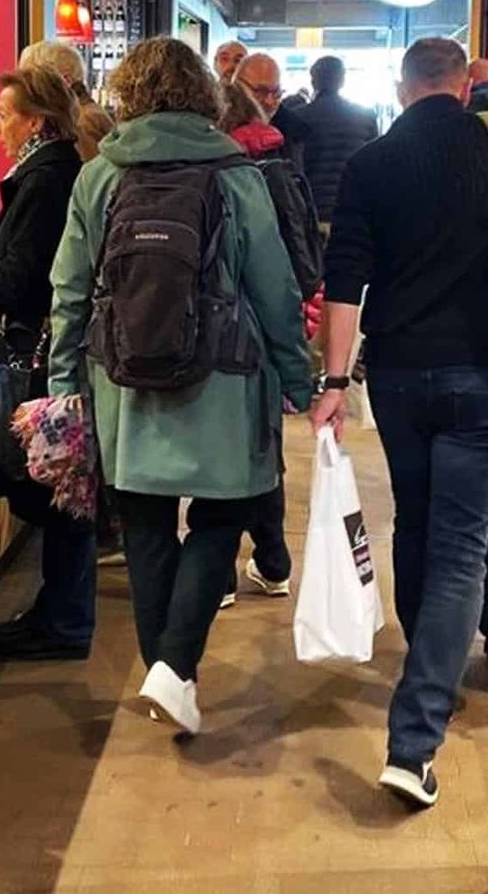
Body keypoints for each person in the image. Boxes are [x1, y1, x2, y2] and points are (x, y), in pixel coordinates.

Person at [49, 38, 312, 736]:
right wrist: (301, 376)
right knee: (227, 512)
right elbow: (275, 290)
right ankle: (174, 665)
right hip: (224, 380)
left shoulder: (97, 177)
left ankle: (169, 671)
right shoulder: (234, 172)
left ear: (126, 95)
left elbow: (69, 292)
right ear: (206, 94)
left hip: (123, 383)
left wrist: (63, 386)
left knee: (144, 528)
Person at [313, 37, 488, 809]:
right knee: (463, 549)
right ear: (464, 85)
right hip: (480, 374)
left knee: (416, 520)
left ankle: (428, 670)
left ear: (402, 89)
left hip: (397, 375)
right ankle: (415, 736)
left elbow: (345, 282)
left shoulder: (372, 164)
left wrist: (335, 380)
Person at [0, 66, 96, 660]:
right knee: (62, 490)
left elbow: (18, 281)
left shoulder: (43, 181)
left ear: (34, 120)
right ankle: (58, 610)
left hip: (39, 358)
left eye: (5, 113)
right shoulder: (62, 169)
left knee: (55, 491)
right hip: (56, 353)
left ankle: (65, 622)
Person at [215, 83, 298, 608]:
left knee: (219, 458)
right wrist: (296, 365)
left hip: (219, 336)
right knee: (263, 453)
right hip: (264, 333)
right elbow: (281, 271)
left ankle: (219, 576)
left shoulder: (221, 173)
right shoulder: (279, 160)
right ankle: (274, 563)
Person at [296, 56, 378, 225]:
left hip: (312, 213)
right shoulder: (366, 117)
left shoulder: (298, 118)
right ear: (342, 80)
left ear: (313, 82)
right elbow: (375, 164)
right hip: (353, 211)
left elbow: (295, 169)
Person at [20, 39, 114, 162]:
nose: (28, 93)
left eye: (35, 83)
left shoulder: (80, 122)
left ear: (65, 80)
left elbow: (83, 178)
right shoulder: (85, 115)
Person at [235, 52, 308, 163]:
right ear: (236, 86)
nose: (269, 101)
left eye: (276, 92)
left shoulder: (293, 132)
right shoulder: (214, 129)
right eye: (260, 91)